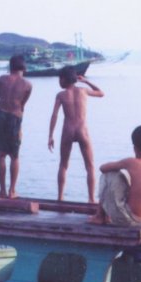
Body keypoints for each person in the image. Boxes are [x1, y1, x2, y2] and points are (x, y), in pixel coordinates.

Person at [48, 66, 104, 202]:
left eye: (59, 79)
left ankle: (60, 197)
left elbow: (54, 115)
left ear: (64, 79)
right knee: (90, 166)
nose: (59, 82)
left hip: (68, 130)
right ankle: (91, 199)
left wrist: (50, 135)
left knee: (63, 165)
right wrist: (85, 81)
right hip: (82, 130)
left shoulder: (61, 95)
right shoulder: (83, 91)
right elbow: (101, 93)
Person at [0, 54, 33, 198]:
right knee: (14, 156)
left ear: (10, 67)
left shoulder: (2, 79)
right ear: (23, 67)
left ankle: (2, 190)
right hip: (14, 117)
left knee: (0, 154)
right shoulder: (28, 85)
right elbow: (22, 106)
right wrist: (19, 127)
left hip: (0, 115)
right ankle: (12, 191)